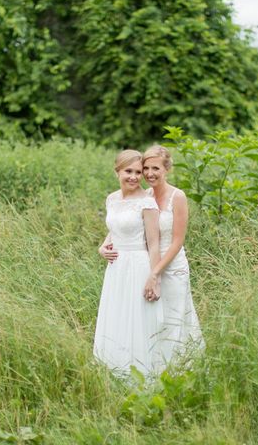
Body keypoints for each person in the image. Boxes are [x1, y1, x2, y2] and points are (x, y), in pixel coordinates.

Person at [93, 150, 165, 376]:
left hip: (137, 265)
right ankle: (113, 369)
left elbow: (153, 243)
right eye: (128, 171)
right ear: (117, 172)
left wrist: (154, 278)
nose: (133, 177)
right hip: (116, 269)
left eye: (137, 172)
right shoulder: (112, 199)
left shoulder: (147, 203)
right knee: (116, 317)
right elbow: (114, 230)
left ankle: (139, 373)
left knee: (135, 320)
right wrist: (102, 247)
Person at [142, 145, 204, 366]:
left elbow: (178, 241)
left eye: (156, 168)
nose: (150, 173)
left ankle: (180, 371)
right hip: (150, 268)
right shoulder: (144, 195)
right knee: (154, 321)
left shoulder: (177, 197)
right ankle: (154, 370)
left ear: (166, 169)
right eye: (146, 168)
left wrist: (156, 272)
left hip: (173, 267)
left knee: (175, 320)